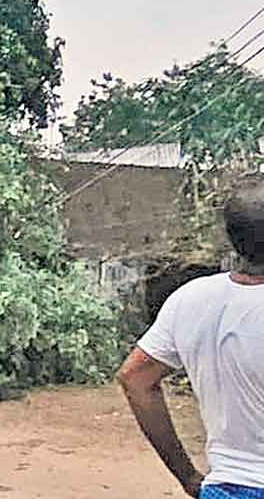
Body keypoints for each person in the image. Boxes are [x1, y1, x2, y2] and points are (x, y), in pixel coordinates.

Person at [120, 176, 264, 498]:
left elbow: (136, 377)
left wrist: (187, 476)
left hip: (224, 488)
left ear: (230, 236)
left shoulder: (192, 299)